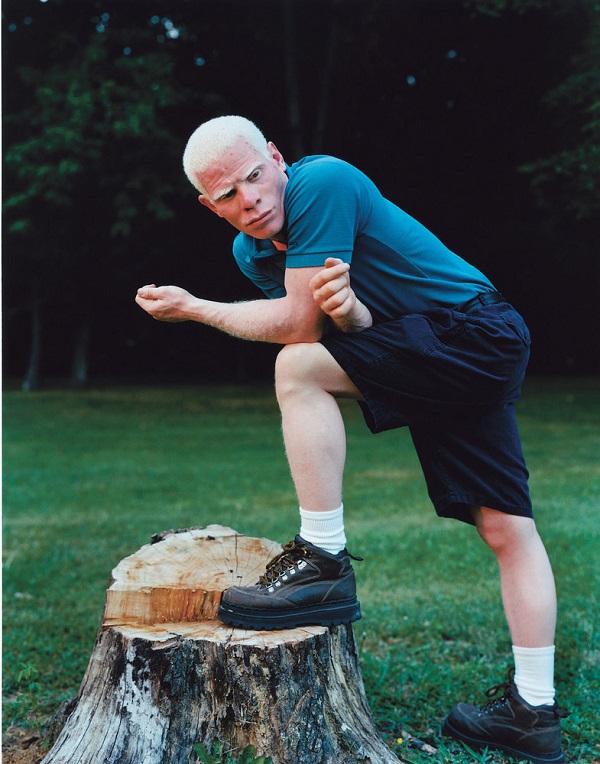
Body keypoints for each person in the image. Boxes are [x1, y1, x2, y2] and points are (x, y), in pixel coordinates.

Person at [135, 115, 568, 764]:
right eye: (227, 194)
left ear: (277, 159)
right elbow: (346, 333)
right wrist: (350, 313)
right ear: (209, 205)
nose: (249, 198)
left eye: (254, 176)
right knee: (507, 529)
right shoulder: (253, 254)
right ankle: (533, 715)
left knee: (294, 368)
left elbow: (293, 325)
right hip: (436, 349)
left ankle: (323, 559)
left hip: (475, 331)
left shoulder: (322, 183)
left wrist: (196, 308)